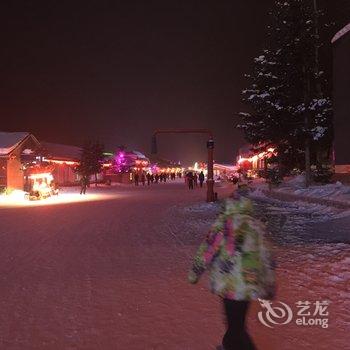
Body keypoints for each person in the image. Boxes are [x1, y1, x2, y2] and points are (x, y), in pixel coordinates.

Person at [188, 197, 275, 350]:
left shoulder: (223, 225)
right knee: (237, 324)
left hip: (229, 285)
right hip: (249, 284)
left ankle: (230, 346)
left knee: (235, 327)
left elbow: (207, 251)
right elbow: (267, 258)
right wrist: (269, 283)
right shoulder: (256, 226)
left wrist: (195, 273)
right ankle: (229, 346)